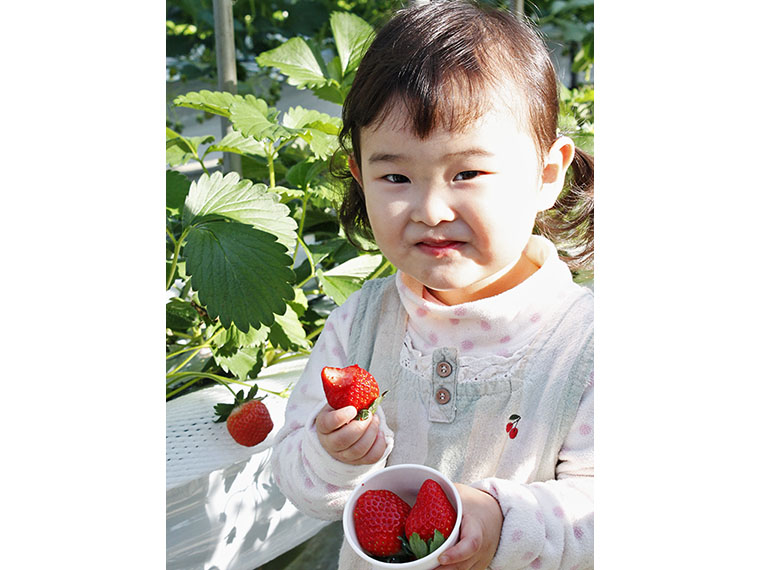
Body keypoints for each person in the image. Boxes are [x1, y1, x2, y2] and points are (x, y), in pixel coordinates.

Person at [271, 1, 594, 568]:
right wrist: (330, 456)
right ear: (359, 176)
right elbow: (297, 480)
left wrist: (503, 521)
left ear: (547, 175)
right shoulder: (363, 322)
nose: (431, 209)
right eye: (395, 176)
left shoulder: (586, 346)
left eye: (467, 173)